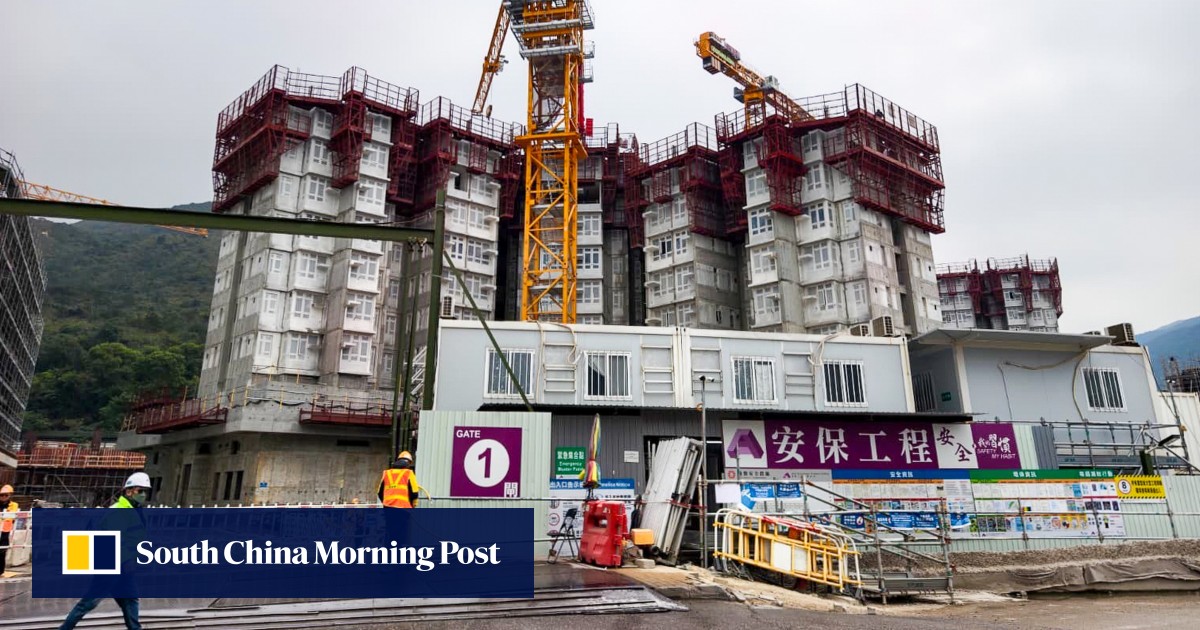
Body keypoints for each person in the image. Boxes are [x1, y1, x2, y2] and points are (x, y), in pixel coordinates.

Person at [59, 472, 152, 630]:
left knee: (130, 600)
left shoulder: (134, 509)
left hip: (123, 567)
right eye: (139, 490)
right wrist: (126, 561)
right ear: (129, 491)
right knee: (88, 603)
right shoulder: (119, 510)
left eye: (145, 491)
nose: (143, 494)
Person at [0, 484, 16, 576]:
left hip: (5, 532)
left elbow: (10, 518)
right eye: (2, 495)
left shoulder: (13, 505)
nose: (3, 497)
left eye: (6, 495)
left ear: (10, 495)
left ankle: (0, 571)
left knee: (2, 552)